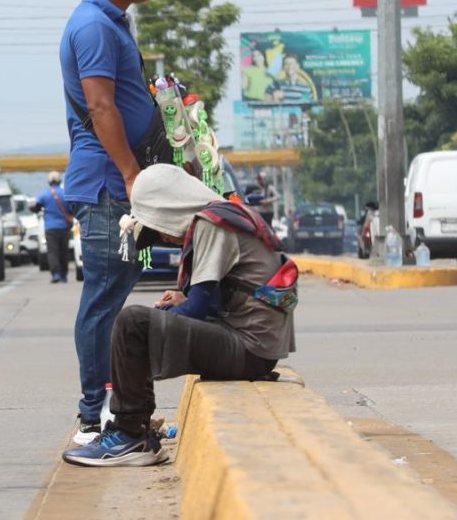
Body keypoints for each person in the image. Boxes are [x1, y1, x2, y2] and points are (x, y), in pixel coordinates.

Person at [63, 165, 296, 467]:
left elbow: (197, 310)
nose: (165, 237)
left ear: (169, 208)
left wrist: (168, 312)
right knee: (145, 323)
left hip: (250, 349)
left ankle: (129, 433)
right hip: (256, 346)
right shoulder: (230, 214)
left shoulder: (213, 224)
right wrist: (179, 304)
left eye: (159, 228)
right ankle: (135, 428)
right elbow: (216, 299)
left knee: (133, 323)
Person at [60, 0, 172, 445]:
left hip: (119, 180)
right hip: (108, 184)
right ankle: (96, 416)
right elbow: (101, 105)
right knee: (104, 298)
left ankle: (116, 409)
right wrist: (131, 175)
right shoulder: (93, 27)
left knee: (114, 293)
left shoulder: (112, 22)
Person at [31, 171, 74, 283]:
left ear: (49, 182)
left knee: (52, 252)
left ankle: (56, 274)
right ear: (60, 181)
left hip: (50, 228)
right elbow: (72, 209)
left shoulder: (44, 194)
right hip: (64, 227)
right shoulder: (65, 193)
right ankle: (64, 275)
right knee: (64, 251)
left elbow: (35, 207)